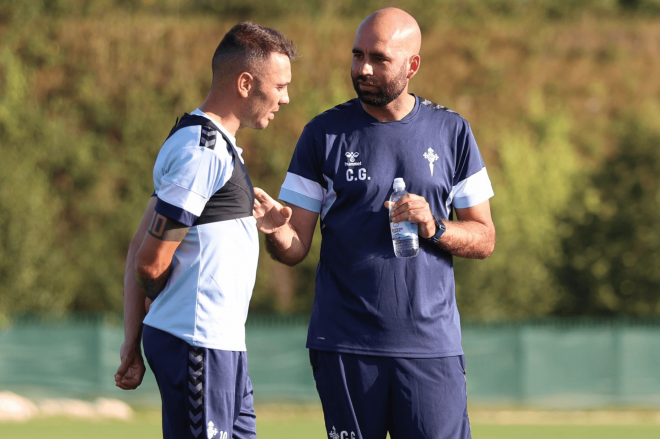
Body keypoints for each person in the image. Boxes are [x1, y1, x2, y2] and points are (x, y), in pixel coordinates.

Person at [253, 8, 495, 439]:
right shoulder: (322, 134)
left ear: (412, 65)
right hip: (345, 346)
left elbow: (484, 237)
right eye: (357, 55)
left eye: (379, 58)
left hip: (429, 348)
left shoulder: (452, 132)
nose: (362, 68)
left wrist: (434, 226)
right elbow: (295, 249)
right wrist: (275, 230)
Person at [114, 22, 296, 439]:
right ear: (246, 82)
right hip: (198, 343)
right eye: (280, 85)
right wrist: (155, 323)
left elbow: (139, 249)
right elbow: (148, 261)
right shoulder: (203, 150)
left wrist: (251, 225)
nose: (286, 97)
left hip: (219, 344)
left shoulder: (215, 146)